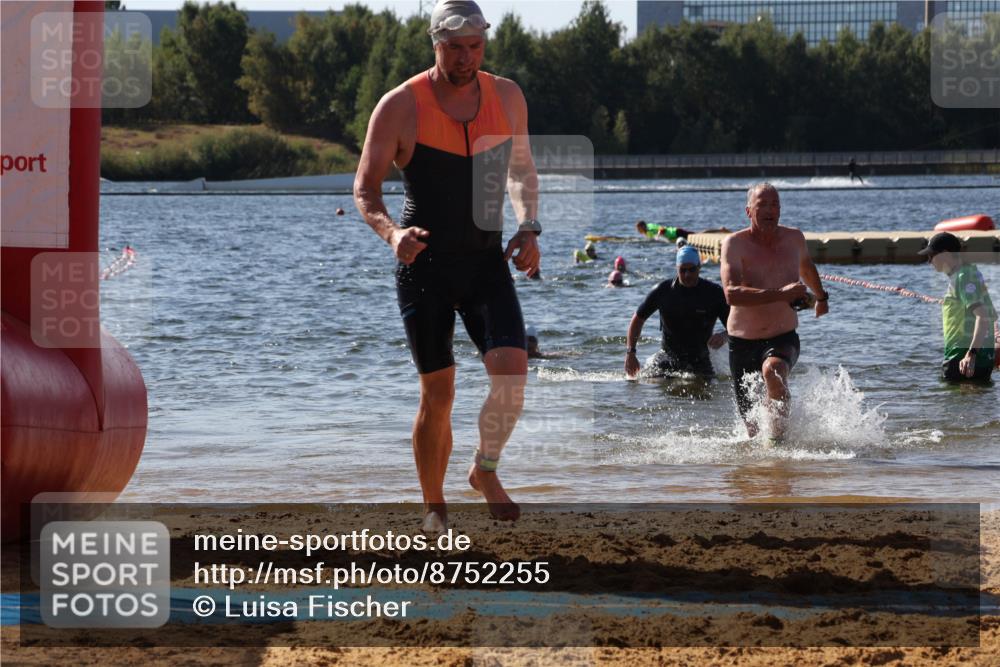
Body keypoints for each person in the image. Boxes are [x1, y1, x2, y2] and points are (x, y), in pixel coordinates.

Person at [353, 0, 540, 529]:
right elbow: (365, 189)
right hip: (425, 266)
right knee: (438, 395)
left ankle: (484, 470)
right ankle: (435, 506)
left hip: (485, 262)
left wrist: (529, 226)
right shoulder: (400, 105)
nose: (465, 57)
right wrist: (392, 234)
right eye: (454, 47)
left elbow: (521, 172)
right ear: (435, 43)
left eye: (475, 47)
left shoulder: (507, 96)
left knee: (512, 377)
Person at [720, 183, 829, 440]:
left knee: (774, 371)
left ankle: (779, 445)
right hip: (742, 342)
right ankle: (766, 456)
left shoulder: (794, 238)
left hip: (783, 335)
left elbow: (806, 267)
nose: (770, 210)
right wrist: (781, 294)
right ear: (749, 211)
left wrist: (821, 298)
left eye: (775, 205)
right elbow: (731, 294)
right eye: (763, 205)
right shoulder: (734, 244)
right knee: (752, 431)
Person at [625, 245, 729, 378]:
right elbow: (638, 319)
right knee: (641, 382)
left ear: (699, 267)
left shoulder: (713, 293)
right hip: (667, 358)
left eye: (692, 269)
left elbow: (735, 327)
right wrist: (631, 353)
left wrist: (724, 336)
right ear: (677, 268)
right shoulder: (663, 291)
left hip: (700, 360)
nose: (687, 274)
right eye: (683, 270)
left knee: (703, 386)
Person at [919, 232, 996, 382]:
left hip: (963, 360)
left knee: (952, 396)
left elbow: (983, 316)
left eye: (931, 255)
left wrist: (971, 354)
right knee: (973, 396)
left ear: (946, 254)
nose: (929, 261)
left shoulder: (964, 277)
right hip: (975, 359)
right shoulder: (969, 272)